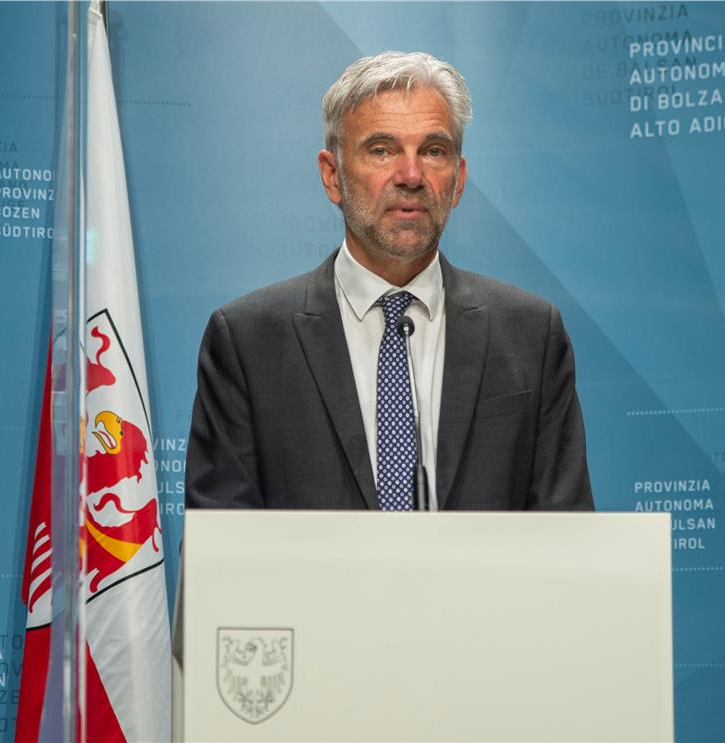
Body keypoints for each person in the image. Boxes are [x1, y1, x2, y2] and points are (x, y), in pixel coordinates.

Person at [185, 51, 592, 512]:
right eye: (382, 150)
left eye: (433, 151)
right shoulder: (248, 341)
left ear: (458, 180)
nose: (411, 176)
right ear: (332, 176)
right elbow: (221, 541)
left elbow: (567, 532)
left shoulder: (529, 335)